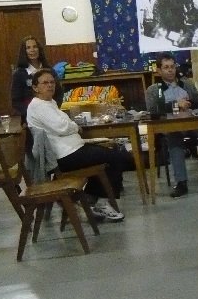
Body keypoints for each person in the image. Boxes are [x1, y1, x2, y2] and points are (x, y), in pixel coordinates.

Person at [26, 69, 133, 221]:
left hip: (73, 148)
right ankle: (100, 202)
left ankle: (91, 199)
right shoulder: (38, 106)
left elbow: (65, 124)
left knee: (113, 150)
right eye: (45, 83)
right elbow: (62, 127)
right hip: (65, 156)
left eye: (52, 82)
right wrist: (75, 126)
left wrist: (72, 125)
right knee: (116, 157)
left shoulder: (49, 103)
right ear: (35, 87)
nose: (50, 85)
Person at [145, 52, 198, 198]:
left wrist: (189, 103)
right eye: (166, 67)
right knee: (174, 138)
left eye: (172, 67)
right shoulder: (154, 89)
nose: (170, 70)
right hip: (169, 127)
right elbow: (153, 110)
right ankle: (181, 183)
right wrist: (175, 105)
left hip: (191, 123)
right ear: (159, 70)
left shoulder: (187, 84)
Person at [10, 36, 62, 121]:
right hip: (30, 118)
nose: (32, 50)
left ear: (39, 49)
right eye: (28, 48)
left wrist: (52, 110)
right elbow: (16, 101)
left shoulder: (50, 71)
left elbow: (59, 94)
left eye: (35, 47)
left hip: (52, 115)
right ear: (24, 51)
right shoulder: (19, 74)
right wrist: (33, 113)